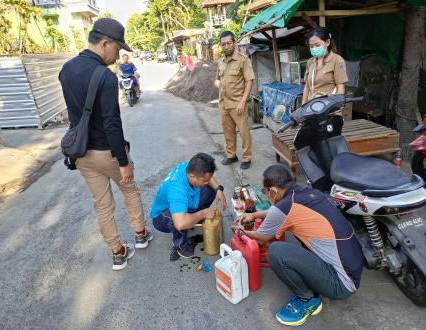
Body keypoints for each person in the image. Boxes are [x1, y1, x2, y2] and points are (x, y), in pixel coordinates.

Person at [59, 18, 153, 271]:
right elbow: (112, 124)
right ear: (104, 43)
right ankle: (141, 235)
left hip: (81, 153)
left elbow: (74, 113)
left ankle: (117, 252)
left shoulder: (65, 69)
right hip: (106, 152)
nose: (118, 54)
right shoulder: (105, 76)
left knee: (102, 204)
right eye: (117, 48)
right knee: (129, 189)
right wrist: (123, 162)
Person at [233, 164, 363, 326]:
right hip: (352, 269)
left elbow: (261, 238)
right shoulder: (309, 193)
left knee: (276, 251)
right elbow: (281, 212)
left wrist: (240, 231)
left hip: (341, 284)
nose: (266, 195)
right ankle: (314, 286)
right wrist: (254, 214)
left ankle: (307, 300)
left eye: (266, 191)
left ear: (273, 190)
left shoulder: (284, 207)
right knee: (297, 237)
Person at [150, 153, 227, 258]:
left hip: (182, 202)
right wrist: (203, 214)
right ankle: (181, 246)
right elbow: (180, 223)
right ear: (192, 176)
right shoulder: (177, 189)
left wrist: (218, 189)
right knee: (179, 221)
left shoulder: (190, 167)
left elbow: (209, 178)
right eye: (204, 180)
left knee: (211, 189)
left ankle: (191, 218)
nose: (207, 181)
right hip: (161, 217)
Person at [215, 31, 255, 170]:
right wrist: (218, 84)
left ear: (234, 43)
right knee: (228, 132)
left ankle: (246, 157)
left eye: (229, 43)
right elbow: (217, 80)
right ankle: (231, 155)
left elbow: (250, 81)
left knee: (244, 132)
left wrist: (243, 101)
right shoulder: (220, 62)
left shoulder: (242, 60)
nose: (226, 46)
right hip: (224, 104)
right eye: (223, 44)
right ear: (221, 45)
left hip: (238, 104)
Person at [302, 27, 349, 104]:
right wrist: (302, 108)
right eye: (311, 46)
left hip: (328, 109)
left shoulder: (337, 60)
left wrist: (336, 107)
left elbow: (341, 87)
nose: (314, 48)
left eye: (317, 45)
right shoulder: (310, 62)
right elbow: (307, 87)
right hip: (312, 108)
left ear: (327, 42)